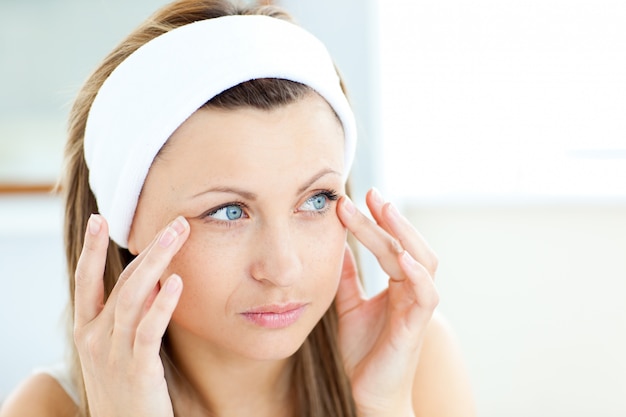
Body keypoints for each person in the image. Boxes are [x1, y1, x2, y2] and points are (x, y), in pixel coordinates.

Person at [0, 1, 474, 416]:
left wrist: (381, 408)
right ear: (127, 226)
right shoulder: (47, 409)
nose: (283, 268)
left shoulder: (414, 359)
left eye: (315, 200)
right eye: (229, 211)